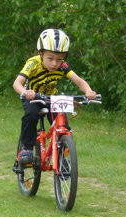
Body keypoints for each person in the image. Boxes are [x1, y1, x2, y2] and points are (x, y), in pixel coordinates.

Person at [12, 28, 97, 164]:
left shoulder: (62, 67)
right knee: (31, 116)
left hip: (52, 98)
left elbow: (79, 81)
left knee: (62, 124)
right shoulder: (33, 64)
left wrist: (89, 91)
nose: (54, 64)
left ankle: (62, 156)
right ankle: (26, 149)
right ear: (41, 54)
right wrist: (25, 92)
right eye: (50, 58)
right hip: (33, 98)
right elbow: (17, 83)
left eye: (59, 59)